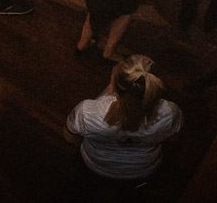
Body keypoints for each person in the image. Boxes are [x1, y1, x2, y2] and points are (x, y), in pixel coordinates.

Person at [66, 55, 182, 193]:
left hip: (95, 167)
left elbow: (70, 137)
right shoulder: (170, 112)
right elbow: (173, 139)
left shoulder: (87, 111)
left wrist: (109, 90)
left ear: (116, 84)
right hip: (141, 173)